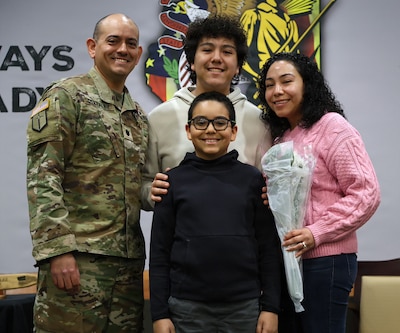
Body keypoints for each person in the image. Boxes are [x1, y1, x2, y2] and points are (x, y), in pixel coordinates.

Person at [26, 13, 148, 332]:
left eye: (131, 43)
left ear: (138, 54)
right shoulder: (66, 96)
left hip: (127, 269)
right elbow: (43, 176)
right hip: (76, 263)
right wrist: (58, 250)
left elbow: (141, 186)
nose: (122, 49)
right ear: (93, 47)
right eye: (113, 41)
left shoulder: (138, 117)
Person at [257, 52, 381, 333]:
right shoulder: (282, 137)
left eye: (286, 81)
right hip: (290, 261)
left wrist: (317, 232)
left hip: (328, 260)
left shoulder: (333, 127)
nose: (276, 91)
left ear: (307, 84)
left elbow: (366, 193)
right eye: (269, 84)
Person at [150, 91, 281, 333]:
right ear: (189, 130)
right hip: (186, 308)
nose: (210, 129)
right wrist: (159, 314)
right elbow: (159, 253)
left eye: (220, 122)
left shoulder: (253, 180)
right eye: (201, 122)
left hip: (245, 307)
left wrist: (270, 307)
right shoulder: (171, 182)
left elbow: (268, 248)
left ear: (233, 131)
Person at [141, 14, 271, 210]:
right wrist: (150, 193)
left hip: (242, 237)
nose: (216, 58)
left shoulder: (259, 121)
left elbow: (271, 188)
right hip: (181, 238)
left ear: (238, 66)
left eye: (227, 52)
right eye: (207, 50)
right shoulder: (160, 118)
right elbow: (141, 186)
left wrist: (273, 197)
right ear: (192, 62)